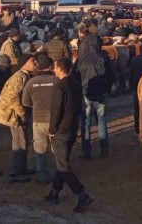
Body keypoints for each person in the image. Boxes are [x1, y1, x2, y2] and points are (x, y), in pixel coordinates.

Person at [45, 57, 93, 212]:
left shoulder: (59, 86)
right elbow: (79, 107)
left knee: (63, 165)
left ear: (59, 68)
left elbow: (56, 110)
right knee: (62, 161)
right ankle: (54, 191)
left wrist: (52, 130)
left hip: (61, 131)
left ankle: (82, 194)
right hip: (72, 128)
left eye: (54, 67)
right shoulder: (75, 83)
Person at [0, 56, 37, 183]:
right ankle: (14, 173)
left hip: (17, 113)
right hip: (14, 115)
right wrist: (22, 114)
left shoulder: (25, 75)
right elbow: (13, 97)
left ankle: (22, 168)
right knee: (19, 143)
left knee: (23, 141)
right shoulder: (19, 77)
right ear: (25, 63)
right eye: (32, 60)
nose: (35, 62)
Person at [21, 54, 57, 184]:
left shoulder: (31, 82)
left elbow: (25, 102)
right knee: (57, 148)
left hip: (38, 119)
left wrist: (36, 105)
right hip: (54, 119)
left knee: (40, 149)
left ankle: (42, 175)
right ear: (50, 66)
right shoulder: (57, 81)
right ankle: (61, 172)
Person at [76, 35, 109, 158]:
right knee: (101, 120)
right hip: (101, 92)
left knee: (85, 122)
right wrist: (108, 88)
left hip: (86, 93)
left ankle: (86, 151)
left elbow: (75, 76)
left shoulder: (81, 59)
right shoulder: (104, 57)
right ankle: (104, 148)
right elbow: (111, 74)